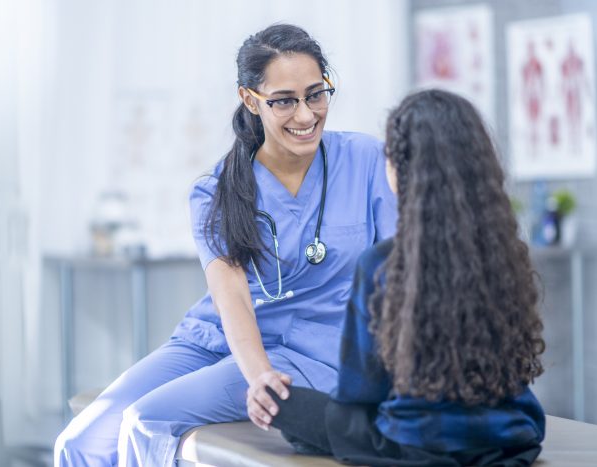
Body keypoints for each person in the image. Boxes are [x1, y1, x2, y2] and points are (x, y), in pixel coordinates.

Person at [54, 23, 397, 467]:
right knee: (78, 442)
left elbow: (399, 275)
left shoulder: (367, 160)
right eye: (284, 101)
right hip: (215, 337)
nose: (307, 115)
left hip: (316, 348)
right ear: (250, 100)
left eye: (316, 94)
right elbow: (230, 295)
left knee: (147, 419)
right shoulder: (218, 189)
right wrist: (259, 376)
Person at [268, 89, 547, 466]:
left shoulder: (383, 265)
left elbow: (359, 395)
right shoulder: (508, 253)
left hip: (414, 443)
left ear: (399, 168)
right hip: (511, 435)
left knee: (282, 402)